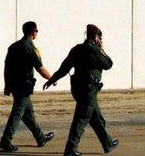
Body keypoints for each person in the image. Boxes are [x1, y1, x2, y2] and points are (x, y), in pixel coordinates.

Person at [43, 24, 120, 156]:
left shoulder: (77, 49)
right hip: (89, 91)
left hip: (78, 89)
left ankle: (107, 143)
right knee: (81, 119)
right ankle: (70, 149)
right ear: (96, 37)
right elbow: (108, 64)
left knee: (97, 119)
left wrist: (51, 80)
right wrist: (101, 48)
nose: (101, 40)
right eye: (100, 38)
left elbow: (64, 67)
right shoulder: (94, 50)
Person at [0, 21, 56, 152]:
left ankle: (40, 138)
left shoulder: (13, 47)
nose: (37, 33)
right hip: (23, 86)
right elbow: (40, 68)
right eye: (37, 31)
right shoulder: (30, 48)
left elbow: (7, 67)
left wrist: (7, 85)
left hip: (14, 85)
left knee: (27, 114)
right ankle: (5, 140)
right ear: (33, 32)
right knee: (18, 112)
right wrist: (52, 79)